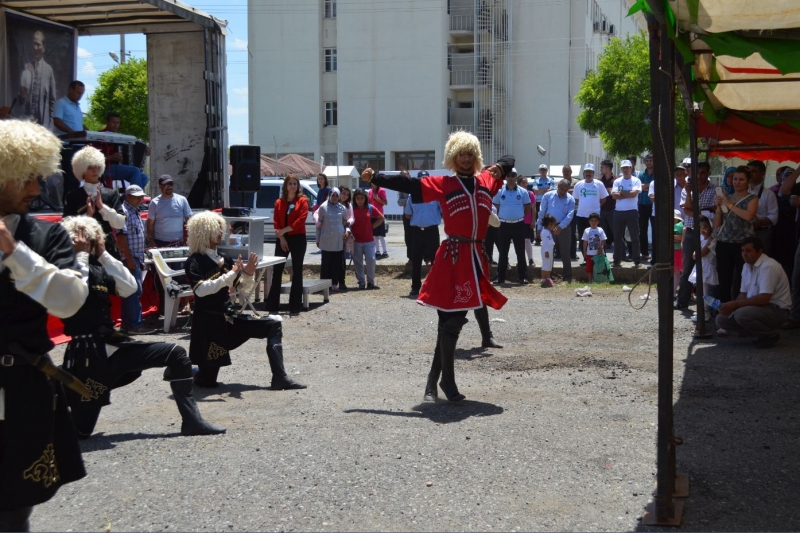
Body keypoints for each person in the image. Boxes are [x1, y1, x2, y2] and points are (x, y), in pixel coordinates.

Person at [361, 131, 509, 402]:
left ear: (476, 157)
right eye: (460, 154)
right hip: (453, 256)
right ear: (452, 158)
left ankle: (435, 382)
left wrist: (497, 168)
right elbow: (409, 186)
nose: (465, 159)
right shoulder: (444, 183)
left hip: (476, 254)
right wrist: (377, 177)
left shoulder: (486, 180)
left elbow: (509, 161)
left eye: (470, 154)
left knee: (451, 323)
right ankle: (444, 382)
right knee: (448, 321)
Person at [59, 215, 225, 437]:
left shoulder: (97, 268)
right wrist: (79, 254)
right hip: (87, 355)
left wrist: (104, 255)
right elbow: (75, 293)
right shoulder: (65, 269)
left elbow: (130, 288)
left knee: (175, 354)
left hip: (112, 346)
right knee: (79, 430)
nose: (88, 242)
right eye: (84, 239)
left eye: (90, 238)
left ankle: (192, 422)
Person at [0, 119, 87, 532]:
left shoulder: (47, 236)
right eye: (26, 178)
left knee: (15, 508)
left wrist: (13, 252)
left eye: (39, 177)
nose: (36, 189)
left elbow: (69, 302)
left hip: (22, 388)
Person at [184, 211, 307, 390]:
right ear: (203, 232)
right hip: (208, 327)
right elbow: (201, 291)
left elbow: (240, 287)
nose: (221, 233)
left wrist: (248, 272)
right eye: (215, 230)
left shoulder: (224, 258)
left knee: (273, 326)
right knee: (207, 382)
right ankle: (188, 370)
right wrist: (231, 275)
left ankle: (280, 378)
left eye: (221, 229)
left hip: (229, 320)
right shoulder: (194, 261)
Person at [715, 237, 791, 348]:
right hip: (758, 308)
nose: (744, 254)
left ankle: (770, 335)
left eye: (748, 251)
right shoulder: (746, 266)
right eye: (743, 250)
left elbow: (764, 298)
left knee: (742, 314)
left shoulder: (769, 266)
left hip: (777, 310)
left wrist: (735, 305)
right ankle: (757, 333)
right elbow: (743, 294)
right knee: (721, 319)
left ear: (759, 251)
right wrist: (729, 308)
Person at [63, 146, 126, 259]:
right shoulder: (72, 196)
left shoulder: (111, 194)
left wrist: (102, 208)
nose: (95, 170)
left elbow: (120, 224)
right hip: (83, 249)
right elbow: (66, 227)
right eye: (90, 167)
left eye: (97, 167)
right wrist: (87, 216)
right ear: (81, 170)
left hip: (108, 248)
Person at [675, 161, 718, 309]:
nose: (699, 176)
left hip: (708, 233)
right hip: (692, 230)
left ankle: (708, 304)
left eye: (703, 173)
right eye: (697, 173)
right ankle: (682, 301)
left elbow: (714, 208)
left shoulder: (714, 189)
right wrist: (689, 194)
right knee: (687, 266)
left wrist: (698, 211)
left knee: (709, 267)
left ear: (708, 173)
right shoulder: (687, 189)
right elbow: (686, 209)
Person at [714, 166, 759, 303]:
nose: (737, 182)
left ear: (747, 181)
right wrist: (719, 208)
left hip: (742, 243)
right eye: (735, 179)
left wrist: (730, 205)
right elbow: (717, 224)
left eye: (741, 179)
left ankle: (739, 308)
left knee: (742, 279)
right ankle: (724, 308)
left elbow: (749, 216)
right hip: (724, 241)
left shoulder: (752, 198)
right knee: (724, 278)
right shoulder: (727, 197)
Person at [266, 174, 309, 314]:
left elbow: (300, 221)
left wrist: (284, 230)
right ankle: (273, 305)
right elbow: (276, 221)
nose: (292, 186)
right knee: (277, 270)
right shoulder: (279, 202)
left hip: (298, 238)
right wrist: (282, 237)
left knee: (297, 271)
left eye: (295, 183)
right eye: (290, 183)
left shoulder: (302, 201)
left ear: (298, 186)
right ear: (285, 185)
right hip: (282, 239)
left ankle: (295, 305)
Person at [116, 184, 155, 334]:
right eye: (137, 197)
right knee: (133, 290)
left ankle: (129, 324)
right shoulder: (124, 211)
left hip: (135, 256)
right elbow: (121, 237)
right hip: (130, 258)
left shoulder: (134, 211)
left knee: (132, 290)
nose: (140, 199)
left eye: (141, 197)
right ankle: (133, 324)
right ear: (128, 197)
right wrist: (129, 257)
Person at [493, 167, 531, 284]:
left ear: (516, 177)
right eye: (508, 175)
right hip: (504, 225)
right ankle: (500, 277)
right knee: (503, 252)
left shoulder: (523, 192)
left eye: (513, 175)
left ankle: (522, 277)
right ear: (506, 177)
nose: (510, 178)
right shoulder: (499, 191)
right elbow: (496, 205)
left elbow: (528, 207)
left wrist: (518, 216)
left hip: (518, 225)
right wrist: (506, 215)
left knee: (520, 251)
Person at [94, 112, 150, 190]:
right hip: (104, 168)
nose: (116, 125)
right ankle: (133, 199)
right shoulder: (98, 136)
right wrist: (111, 157)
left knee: (144, 177)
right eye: (113, 122)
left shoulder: (120, 137)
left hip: (118, 167)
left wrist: (144, 152)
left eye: (118, 123)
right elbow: (93, 158)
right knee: (135, 171)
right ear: (107, 122)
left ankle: (124, 199)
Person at [405, 180, 442, 296]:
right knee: (416, 260)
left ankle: (436, 286)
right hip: (417, 232)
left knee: (435, 261)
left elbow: (442, 212)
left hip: (432, 231)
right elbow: (408, 214)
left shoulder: (436, 195)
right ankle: (415, 287)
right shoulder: (412, 196)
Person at [537, 179, 575, 282]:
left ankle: (567, 277)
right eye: (561, 189)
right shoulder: (548, 196)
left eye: (565, 190)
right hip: (548, 227)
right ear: (557, 186)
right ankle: (549, 276)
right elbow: (542, 212)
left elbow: (570, 215)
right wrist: (539, 227)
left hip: (564, 227)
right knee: (549, 252)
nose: (563, 191)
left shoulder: (570, 199)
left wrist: (561, 226)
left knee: (565, 252)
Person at [19, 30, 57, 130]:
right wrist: (22, 95)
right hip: (28, 122)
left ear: (43, 48)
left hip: (42, 123)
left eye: (38, 45)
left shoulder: (48, 70)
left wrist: (50, 123)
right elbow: (21, 100)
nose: (35, 48)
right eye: (33, 44)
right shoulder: (27, 67)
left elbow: (52, 99)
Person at [317, 187, 350, 291]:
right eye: (333, 195)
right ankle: (323, 285)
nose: (335, 198)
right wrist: (317, 239)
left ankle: (334, 283)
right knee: (326, 263)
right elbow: (319, 225)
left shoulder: (342, 208)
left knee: (337, 263)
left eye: (337, 196)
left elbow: (345, 222)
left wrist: (347, 231)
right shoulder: (323, 207)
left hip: (338, 240)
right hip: (326, 239)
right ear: (330, 195)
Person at [573, 163, 609, 260]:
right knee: (583, 238)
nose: (588, 174)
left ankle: (599, 258)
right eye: (586, 172)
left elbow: (603, 199)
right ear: (584, 173)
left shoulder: (599, 184)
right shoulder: (578, 185)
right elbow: (576, 199)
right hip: (581, 216)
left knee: (597, 238)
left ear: (593, 173)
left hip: (594, 218)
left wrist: (595, 207)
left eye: (590, 172)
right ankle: (586, 258)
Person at [611, 160, 643, 267]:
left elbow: (634, 194)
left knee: (634, 237)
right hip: (618, 212)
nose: (625, 170)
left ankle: (637, 260)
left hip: (632, 211)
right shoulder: (617, 181)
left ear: (631, 168)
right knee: (617, 237)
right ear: (621, 169)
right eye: (623, 168)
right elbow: (614, 196)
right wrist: (627, 194)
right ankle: (617, 260)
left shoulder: (636, 181)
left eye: (627, 168)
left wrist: (621, 193)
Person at [147, 175, 192, 247]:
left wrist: (190, 239)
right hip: (159, 242)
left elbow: (189, 221)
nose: (169, 187)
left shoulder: (182, 200)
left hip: (178, 242)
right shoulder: (154, 202)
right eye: (166, 185)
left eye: (171, 184)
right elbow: (150, 225)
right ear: (160, 186)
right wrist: (151, 241)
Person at [746, 160, 779, 256]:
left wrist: (759, 222)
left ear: (763, 173)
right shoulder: (741, 192)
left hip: (761, 233)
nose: (751, 174)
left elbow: (773, 217)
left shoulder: (769, 194)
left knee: (762, 260)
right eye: (749, 171)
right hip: (743, 232)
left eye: (754, 171)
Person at [350, 189, 382, 289]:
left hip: (369, 240)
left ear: (365, 198)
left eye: (362, 198)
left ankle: (371, 282)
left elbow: (381, 218)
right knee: (358, 262)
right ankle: (361, 281)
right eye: (357, 198)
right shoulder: (351, 209)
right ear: (354, 199)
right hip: (356, 241)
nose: (360, 200)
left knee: (371, 260)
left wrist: (372, 226)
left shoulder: (370, 208)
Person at [689, 215, 718, 322]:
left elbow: (701, 253)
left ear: (711, 227)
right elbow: (694, 255)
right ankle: (704, 311)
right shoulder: (702, 240)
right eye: (701, 227)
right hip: (701, 267)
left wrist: (696, 254)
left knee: (707, 293)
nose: (703, 230)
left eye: (705, 227)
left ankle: (707, 312)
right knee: (702, 292)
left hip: (708, 269)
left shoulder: (712, 240)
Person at [638, 154, 655, 261]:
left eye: (651, 160)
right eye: (647, 161)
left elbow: (655, 187)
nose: (649, 162)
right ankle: (644, 253)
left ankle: (655, 252)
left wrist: (645, 186)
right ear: (644, 162)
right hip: (642, 204)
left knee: (655, 229)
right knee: (642, 230)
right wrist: (650, 186)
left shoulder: (657, 174)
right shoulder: (640, 174)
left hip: (653, 205)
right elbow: (638, 187)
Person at [532, 164, 554, 245]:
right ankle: (538, 238)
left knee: (548, 219)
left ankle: (548, 236)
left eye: (544, 169)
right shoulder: (536, 181)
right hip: (538, 202)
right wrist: (545, 190)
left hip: (548, 202)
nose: (543, 171)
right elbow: (536, 191)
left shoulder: (550, 180)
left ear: (546, 170)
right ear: (539, 171)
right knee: (539, 219)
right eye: (541, 169)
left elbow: (551, 190)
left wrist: (540, 190)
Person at [581, 212, 606, 277]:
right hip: (590, 253)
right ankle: (590, 279)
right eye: (592, 221)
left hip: (599, 253)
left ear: (598, 222)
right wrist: (584, 251)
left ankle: (598, 279)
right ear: (589, 221)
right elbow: (585, 242)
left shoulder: (600, 230)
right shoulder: (587, 230)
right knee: (589, 267)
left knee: (599, 267)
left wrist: (601, 247)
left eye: (595, 221)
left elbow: (603, 240)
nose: (593, 223)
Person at [311, 173, 331, 254]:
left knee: (324, 230)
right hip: (318, 212)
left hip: (325, 212)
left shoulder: (328, 189)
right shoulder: (320, 190)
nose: (320, 180)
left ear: (325, 180)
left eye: (322, 179)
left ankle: (324, 247)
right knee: (319, 229)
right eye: (319, 179)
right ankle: (321, 246)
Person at [519, 176, 536, 267]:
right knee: (519, 241)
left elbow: (533, 208)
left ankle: (530, 259)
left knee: (527, 240)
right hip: (517, 221)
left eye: (526, 183)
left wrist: (533, 221)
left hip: (527, 221)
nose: (525, 184)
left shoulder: (530, 194)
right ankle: (521, 260)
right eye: (523, 182)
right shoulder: (516, 193)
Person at [598, 159, 616, 248]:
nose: (600, 169)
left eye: (602, 167)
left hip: (613, 210)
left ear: (608, 168)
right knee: (602, 233)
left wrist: (613, 191)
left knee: (616, 232)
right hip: (602, 210)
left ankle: (622, 254)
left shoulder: (616, 180)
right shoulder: (599, 181)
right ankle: (602, 255)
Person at [369, 181, 389, 258]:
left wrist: (377, 198)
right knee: (374, 236)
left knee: (381, 235)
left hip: (379, 215)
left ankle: (385, 252)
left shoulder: (381, 190)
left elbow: (385, 202)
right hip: (372, 215)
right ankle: (377, 251)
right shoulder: (370, 191)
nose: (374, 183)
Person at [539, 214, 557, 287]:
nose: (553, 226)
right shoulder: (544, 232)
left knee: (549, 264)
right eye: (552, 224)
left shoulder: (548, 231)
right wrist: (546, 251)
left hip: (550, 249)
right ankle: (543, 279)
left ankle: (548, 277)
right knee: (545, 265)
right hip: (546, 250)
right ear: (549, 224)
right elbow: (544, 243)